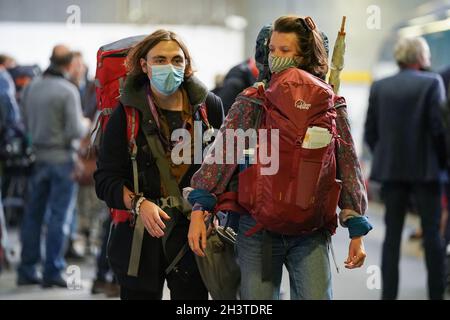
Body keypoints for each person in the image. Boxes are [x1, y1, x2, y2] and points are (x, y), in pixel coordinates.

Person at [188, 16, 371, 300]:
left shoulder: (329, 104)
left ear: (306, 54)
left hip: (310, 228)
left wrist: (356, 227)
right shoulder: (255, 99)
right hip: (258, 226)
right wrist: (200, 209)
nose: (276, 57)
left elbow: (347, 164)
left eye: (285, 51)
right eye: (272, 50)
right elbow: (222, 156)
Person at [94, 29, 224, 300]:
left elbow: (222, 172)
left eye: (177, 60)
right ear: (144, 65)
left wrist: (206, 211)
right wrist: (138, 204)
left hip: (192, 235)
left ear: (187, 64)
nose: (170, 67)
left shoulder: (208, 107)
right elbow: (105, 179)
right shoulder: (126, 113)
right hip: (139, 239)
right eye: (160, 59)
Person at [364, 36, 447, 300]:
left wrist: (385, 156)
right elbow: (439, 129)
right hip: (427, 172)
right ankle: (436, 294)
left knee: (392, 236)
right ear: (421, 58)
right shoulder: (432, 83)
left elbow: (370, 132)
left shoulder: (380, 86)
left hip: (391, 172)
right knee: (432, 235)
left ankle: (388, 296)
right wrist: (443, 162)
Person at [17, 45, 91, 287]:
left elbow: (24, 122)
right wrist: (86, 123)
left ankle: (27, 270)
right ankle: (52, 271)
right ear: (69, 66)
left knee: (33, 216)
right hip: (62, 160)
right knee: (59, 216)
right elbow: (73, 130)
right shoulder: (68, 91)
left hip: (37, 159)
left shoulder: (30, 87)